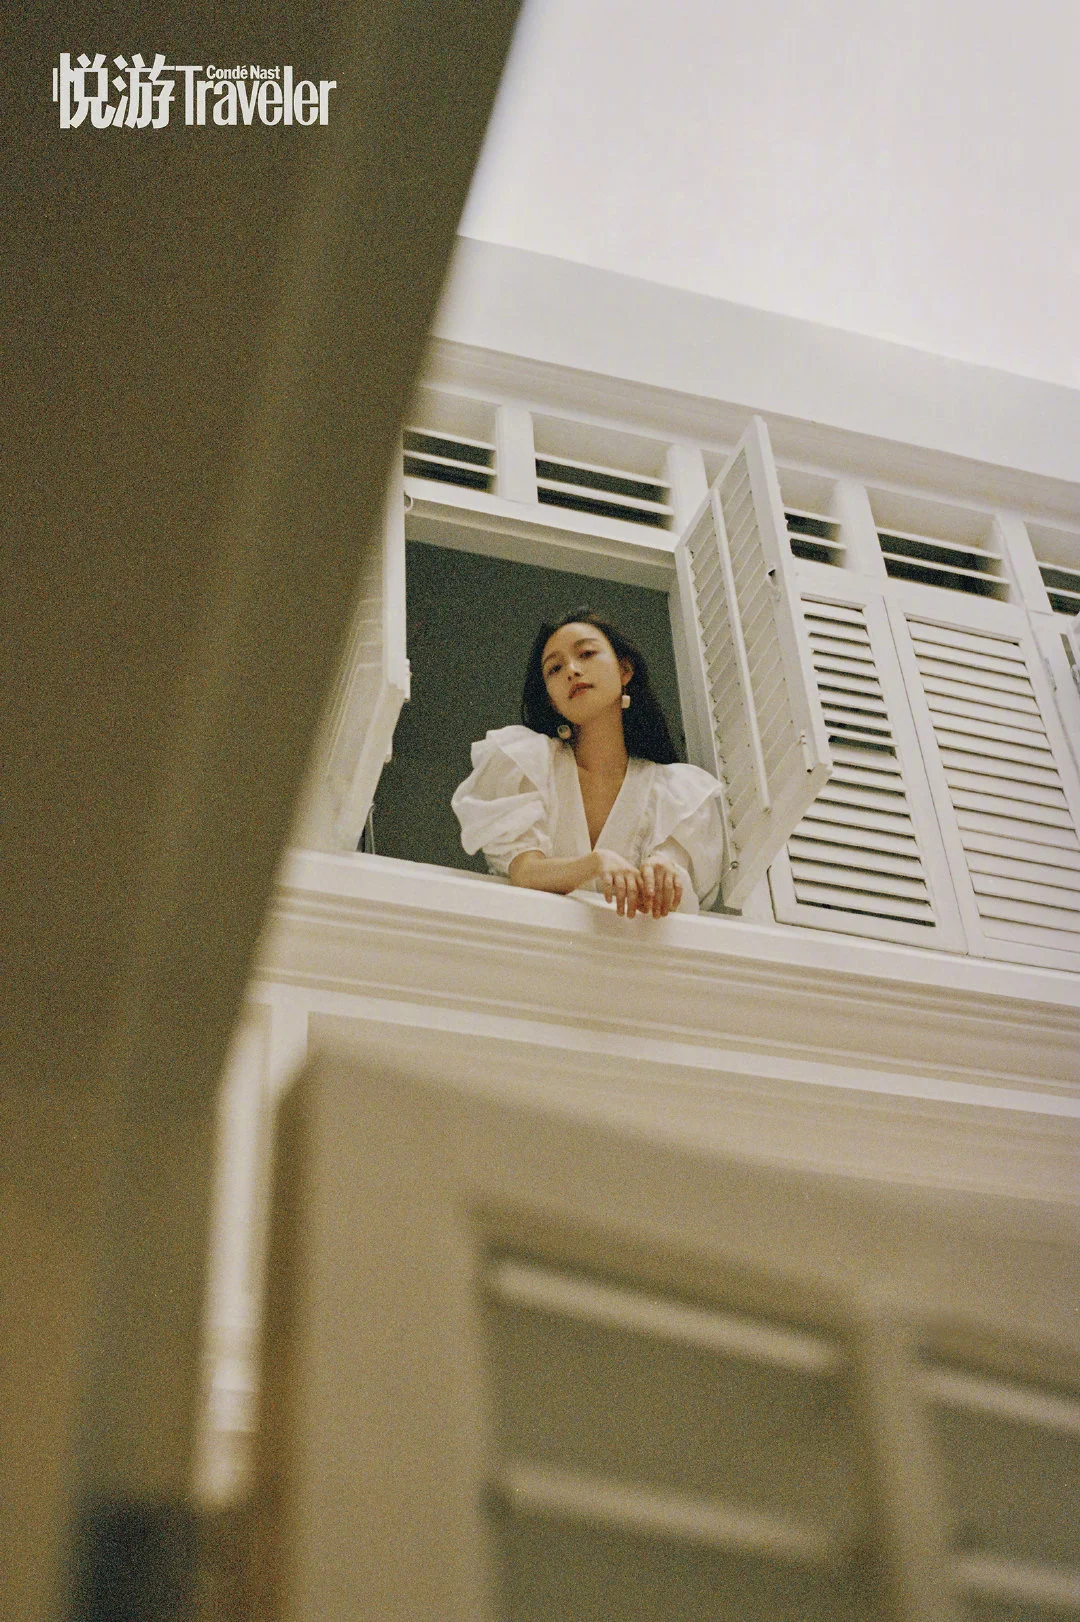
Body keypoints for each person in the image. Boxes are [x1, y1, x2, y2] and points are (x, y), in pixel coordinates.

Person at [451, 609, 726, 917]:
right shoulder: (528, 762)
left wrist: (665, 871)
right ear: (552, 701)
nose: (571, 670)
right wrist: (595, 864)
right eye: (554, 669)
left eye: (586, 653)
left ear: (624, 670)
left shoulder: (678, 792)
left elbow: (676, 898)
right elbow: (525, 872)